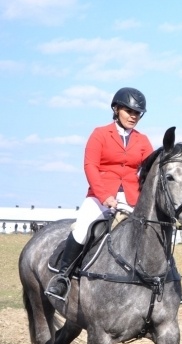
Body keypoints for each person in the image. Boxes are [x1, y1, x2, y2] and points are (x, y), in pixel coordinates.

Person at [46, 87, 155, 301]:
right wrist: (104, 196)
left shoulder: (142, 141)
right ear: (116, 109)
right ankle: (63, 277)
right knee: (83, 227)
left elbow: (149, 170)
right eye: (129, 111)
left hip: (132, 197)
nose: (134, 116)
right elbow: (90, 166)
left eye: (138, 113)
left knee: (153, 231)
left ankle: (164, 281)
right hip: (100, 196)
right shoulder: (100, 134)